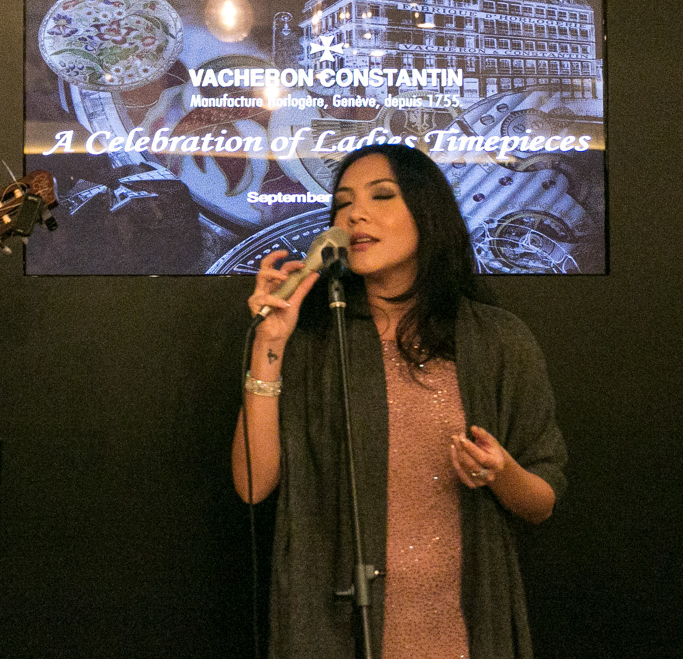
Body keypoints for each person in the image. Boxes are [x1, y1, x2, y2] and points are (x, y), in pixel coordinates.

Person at [232, 143, 566, 659]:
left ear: (427, 212)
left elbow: (542, 501)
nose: (355, 215)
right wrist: (269, 344)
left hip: (460, 630)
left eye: (381, 196)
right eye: (343, 203)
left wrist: (500, 472)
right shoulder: (316, 338)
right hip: (335, 631)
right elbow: (254, 485)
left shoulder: (496, 339)